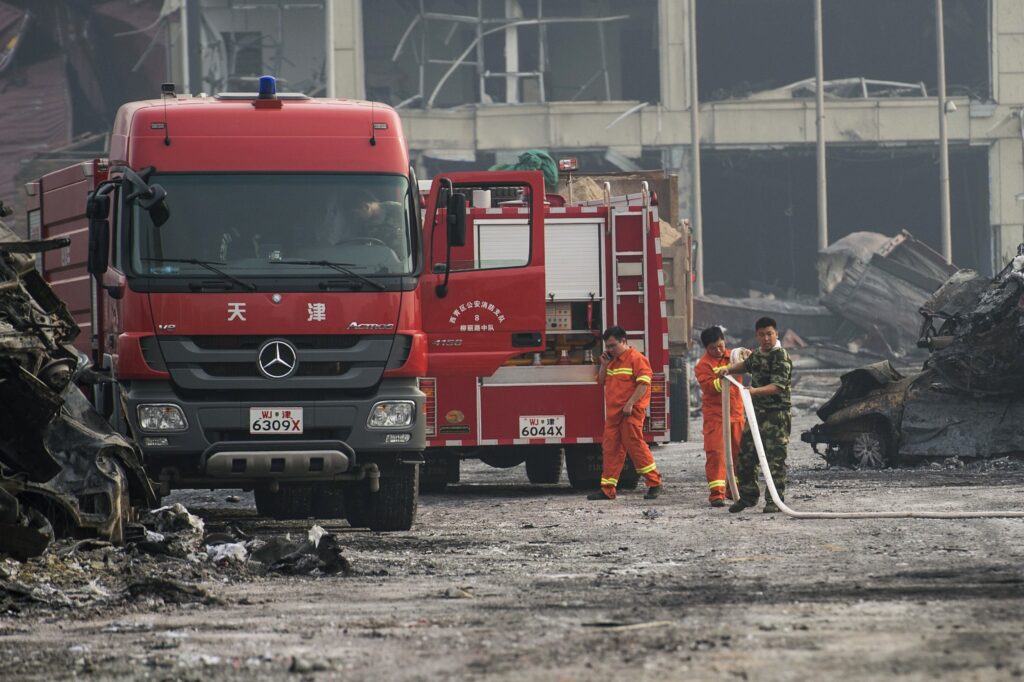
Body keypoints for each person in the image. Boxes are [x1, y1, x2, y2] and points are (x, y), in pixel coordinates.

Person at [716, 317, 792, 514]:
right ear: (757, 336)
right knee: (746, 457)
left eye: (769, 334)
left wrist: (754, 392)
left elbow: (777, 386)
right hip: (756, 414)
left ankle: (774, 500)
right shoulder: (757, 354)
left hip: (776, 416)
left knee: (774, 460)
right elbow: (746, 366)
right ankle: (748, 497)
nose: (766, 338)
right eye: (762, 335)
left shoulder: (781, 357)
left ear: (776, 334)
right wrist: (728, 369)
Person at [587, 326, 664, 501]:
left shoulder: (637, 359)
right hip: (614, 414)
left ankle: (654, 482)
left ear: (624, 342)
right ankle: (607, 489)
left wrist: (630, 404)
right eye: (607, 346)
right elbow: (601, 381)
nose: (610, 349)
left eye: (613, 345)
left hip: (630, 413)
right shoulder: (611, 361)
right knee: (610, 450)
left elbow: (644, 384)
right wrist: (604, 364)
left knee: (636, 447)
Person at [694, 326, 746, 507]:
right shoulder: (703, 365)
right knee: (716, 453)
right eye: (713, 348)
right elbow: (710, 387)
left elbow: (751, 361)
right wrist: (726, 373)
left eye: (720, 346)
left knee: (739, 453)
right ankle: (717, 494)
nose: (718, 350)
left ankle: (734, 490)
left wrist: (746, 357)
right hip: (716, 417)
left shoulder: (733, 356)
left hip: (737, 414)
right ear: (705, 348)